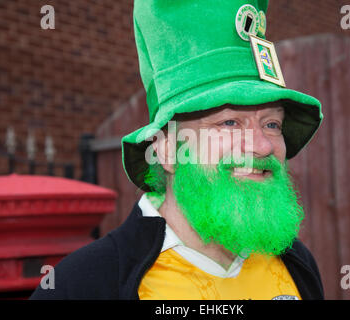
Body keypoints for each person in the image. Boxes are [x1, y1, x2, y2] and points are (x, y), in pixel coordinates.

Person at [30, 0, 324, 300]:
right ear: (167, 149)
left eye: (272, 124)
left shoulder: (297, 265)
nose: (262, 146)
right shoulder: (83, 286)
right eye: (230, 122)